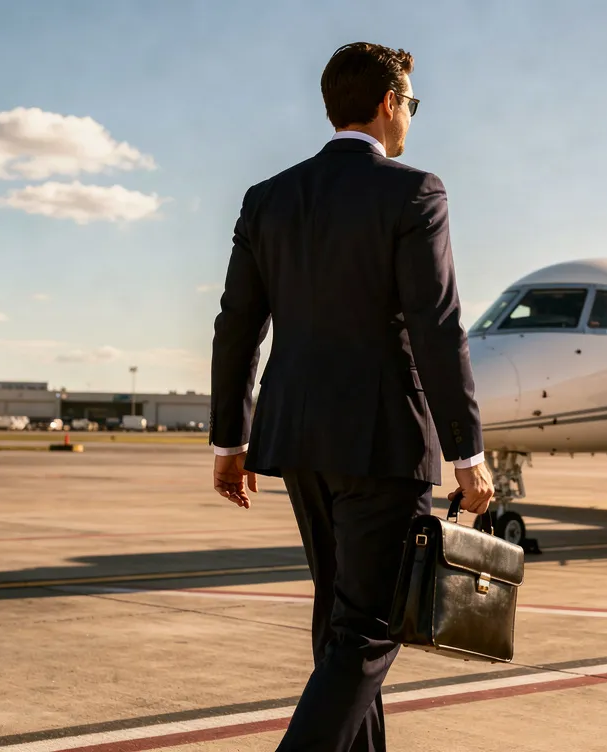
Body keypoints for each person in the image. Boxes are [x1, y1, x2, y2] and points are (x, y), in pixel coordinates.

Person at [208, 41, 496, 752]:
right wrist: (469, 452)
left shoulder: (267, 198)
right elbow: (437, 326)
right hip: (382, 440)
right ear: (390, 103)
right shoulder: (413, 191)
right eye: (412, 104)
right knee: (367, 632)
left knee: (338, 627)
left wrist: (229, 442)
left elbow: (236, 325)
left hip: (298, 440)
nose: (411, 119)